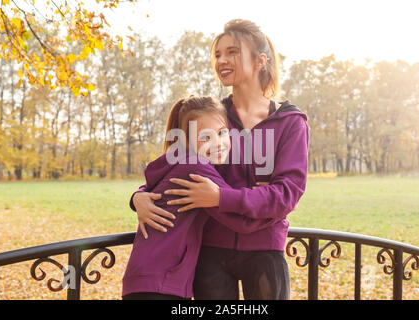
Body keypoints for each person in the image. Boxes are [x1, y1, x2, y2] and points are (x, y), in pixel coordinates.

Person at [130, 19, 309, 300]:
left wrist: (220, 198)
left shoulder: (290, 122)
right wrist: (139, 197)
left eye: (232, 52)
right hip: (210, 252)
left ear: (260, 61)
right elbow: (173, 166)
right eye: (217, 54)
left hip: (264, 250)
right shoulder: (210, 116)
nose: (221, 60)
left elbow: (286, 194)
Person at [122, 96, 278, 300]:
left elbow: (149, 187)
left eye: (222, 133)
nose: (218, 143)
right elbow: (240, 222)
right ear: (185, 140)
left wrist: (137, 197)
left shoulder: (176, 161)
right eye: (205, 138)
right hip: (161, 284)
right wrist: (277, 212)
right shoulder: (197, 168)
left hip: (147, 278)